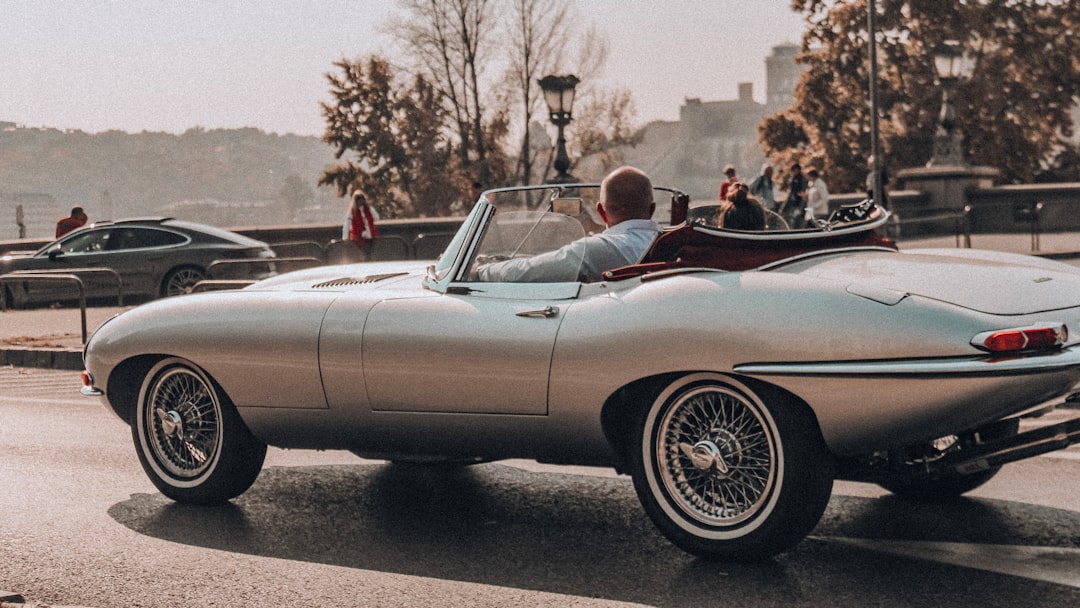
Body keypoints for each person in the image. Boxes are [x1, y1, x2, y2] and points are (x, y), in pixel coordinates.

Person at [477, 166, 659, 283]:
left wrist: (483, 270)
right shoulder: (666, 241)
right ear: (652, 210)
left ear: (601, 212)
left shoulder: (599, 250)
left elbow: (527, 272)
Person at [344, 191, 379, 260]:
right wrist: (345, 237)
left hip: (370, 235)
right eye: (358, 199)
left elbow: (376, 217)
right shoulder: (352, 211)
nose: (360, 201)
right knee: (364, 253)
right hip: (358, 237)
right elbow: (347, 224)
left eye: (361, 199)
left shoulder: (369, 209)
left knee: (368, 253)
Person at [781, 163, 807, 229]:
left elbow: (802, 192)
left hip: (798, 203)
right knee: (792, 219)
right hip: (794, 203)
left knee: (797, 220)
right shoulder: (794, 178)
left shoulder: (801, 179)